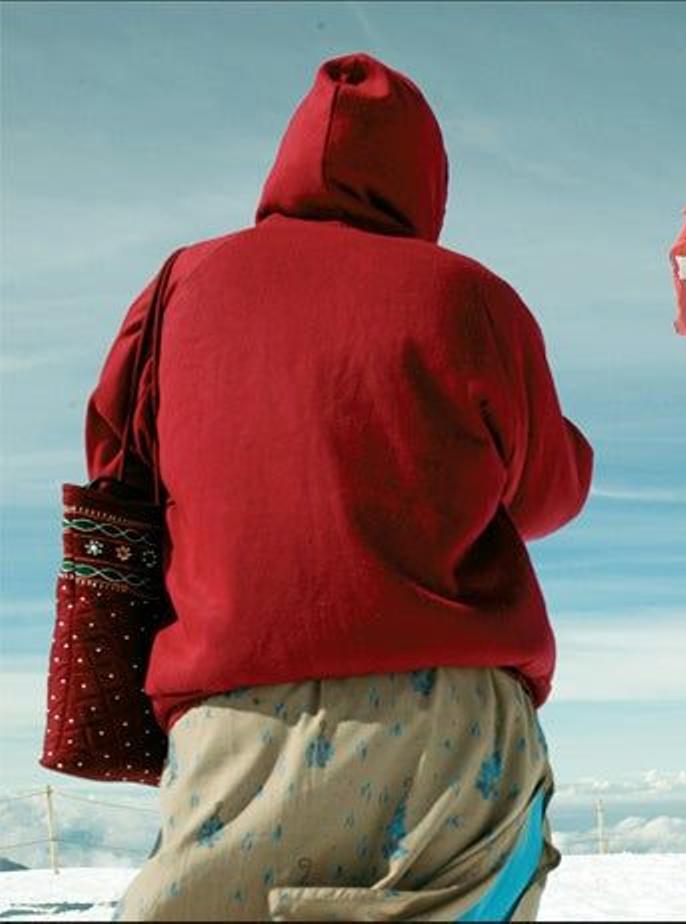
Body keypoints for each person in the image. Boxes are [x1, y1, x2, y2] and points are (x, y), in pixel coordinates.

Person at [92, 53, 592, 920]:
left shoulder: (178, 288)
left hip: (234, 716)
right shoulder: (467, 295)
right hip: (447, 726)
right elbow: (547, 493)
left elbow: (117, 465)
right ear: (427, 179)